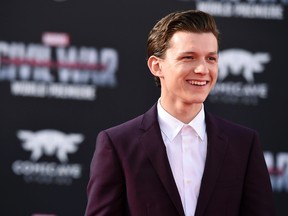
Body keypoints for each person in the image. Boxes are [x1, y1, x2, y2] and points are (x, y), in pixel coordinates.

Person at [84, 9, 275, 216]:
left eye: (211, 59)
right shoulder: (118, 145)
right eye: (189, 57)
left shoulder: (243, 145)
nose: (202, 69)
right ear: (156, 66)